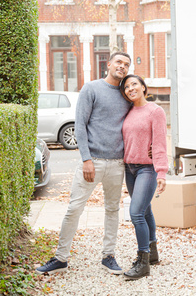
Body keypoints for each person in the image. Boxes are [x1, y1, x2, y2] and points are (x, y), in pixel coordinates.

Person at [36, 52, 132, 275]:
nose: (122, 66)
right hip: (93, 161)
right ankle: (61, 258)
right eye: (119, 62)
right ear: (108, 64)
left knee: (112, 210)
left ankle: (108, 256)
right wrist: (86, 159)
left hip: (117, 164)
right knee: (74, 209)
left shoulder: (126, 93)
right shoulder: (91, 88)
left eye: (126, 64)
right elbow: (80, 125)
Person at [119, 74, 168, 280]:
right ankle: (153, 252)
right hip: (129, 169)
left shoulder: (155, 111)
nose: (131, 88)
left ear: (143, 87)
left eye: (134, 84)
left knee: (136, 212)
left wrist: (162, 172)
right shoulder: (128, 111)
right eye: (127, 87)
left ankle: (143, 261)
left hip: (146, 169)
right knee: (146, 211)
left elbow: (159, 143)